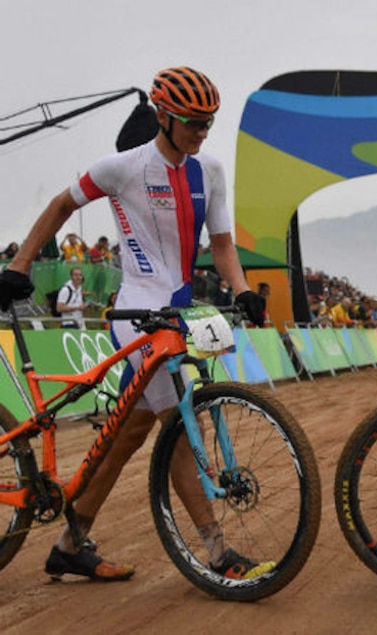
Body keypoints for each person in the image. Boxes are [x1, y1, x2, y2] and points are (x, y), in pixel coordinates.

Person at [0, 66, 266, 583]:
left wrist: (243, 290)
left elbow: (222, 244)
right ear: (164, 117)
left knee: (129, 433)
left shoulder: (210, 170)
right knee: (180, 428)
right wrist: (19, 266)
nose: (203, 130)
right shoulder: (122, 168)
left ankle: (70, 544)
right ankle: (217, 552)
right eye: (193, 121)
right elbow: (60, 204)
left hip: (178, 312)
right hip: (137, 314)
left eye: (209, 121)